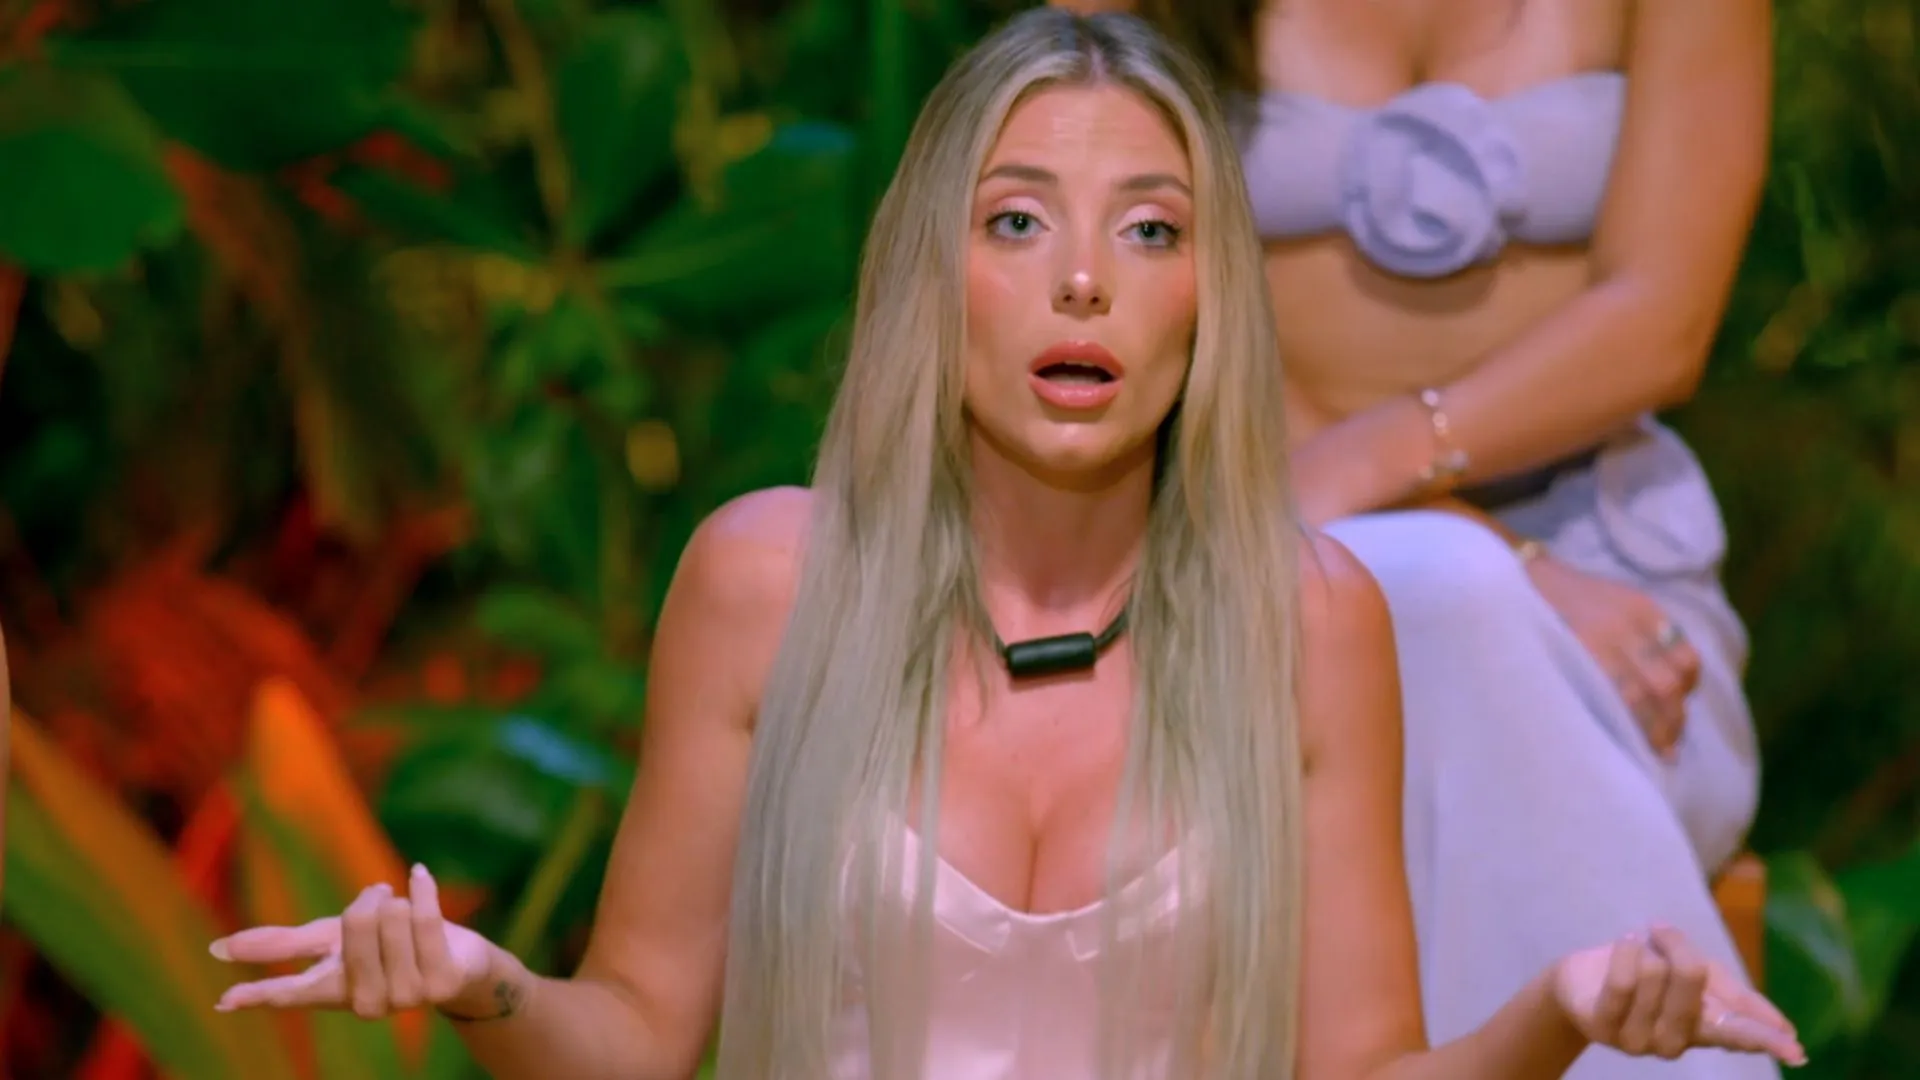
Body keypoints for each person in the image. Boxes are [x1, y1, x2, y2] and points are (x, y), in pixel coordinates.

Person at [209, 11, 1802, 1079]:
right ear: (931, 273)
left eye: (1151, 229)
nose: (1084, 280)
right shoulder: (768, 584)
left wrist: (1556, 1012)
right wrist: (479, 982)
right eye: (1019, 221)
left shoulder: (1313, 622)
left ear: (1209, 302)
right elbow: (631, 1037)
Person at [1048, 0, 1778, 1076]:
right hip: (1228, 532)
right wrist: (1447, 539)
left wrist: (1393, 475)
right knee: (1427, 595)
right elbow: (1095, 299)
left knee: (1441, 624)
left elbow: (1663, 317)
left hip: (1606, 569)